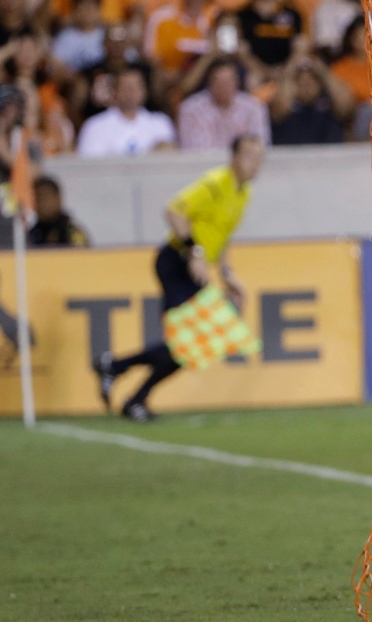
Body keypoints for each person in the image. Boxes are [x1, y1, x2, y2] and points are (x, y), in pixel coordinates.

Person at [93, 134, 264, 421]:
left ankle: (119, 374)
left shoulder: (243, 192)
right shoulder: (216, 183)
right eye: (249, 156)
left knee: (186, 349)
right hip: (175, 262)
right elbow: (174, 211)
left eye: (259, 158)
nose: (255, 164)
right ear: (234, 158)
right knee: (184, 345)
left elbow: (220, 236)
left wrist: (227, 273)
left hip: (192, 269)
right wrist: (194, 252)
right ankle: (122, 379)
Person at [76, 66, 176, 156]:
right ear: (114, 91)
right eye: (125, 87)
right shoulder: (95, 125)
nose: (130, 92)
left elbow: (170, 162)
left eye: (134, 87)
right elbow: (89, 165)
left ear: (144, 91)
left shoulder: (160, 122)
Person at [177, 58, 270, 149]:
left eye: (228, 82)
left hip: (243, 163)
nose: (224, 87)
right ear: (209, 82)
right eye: (219, 82)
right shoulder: (191, 109)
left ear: (237, 82)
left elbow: (260, 146)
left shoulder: (254, 107)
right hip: (205, 163)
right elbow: (191, 150)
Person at [269, 48, 352, 145]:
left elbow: (346, 106)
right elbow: (278, 107)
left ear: (320, 84)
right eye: (301, 82)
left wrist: (324, 72)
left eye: (311, 82)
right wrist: (292, 66)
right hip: (291, 156)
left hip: (329, 155)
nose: (306, 87)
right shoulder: (287, 104)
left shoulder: (329, 101)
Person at [28, 176, 90, 246]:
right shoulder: (32, 234)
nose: (41, 203)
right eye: (37, 198)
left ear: (58, 199)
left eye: (45, 197)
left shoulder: (71, 234)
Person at [51, 0, 105, 72]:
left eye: (90, 8)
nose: (86, 13)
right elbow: (57, 64)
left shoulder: (106, 35)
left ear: (98, 11)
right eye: (82, 9)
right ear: (75, 11)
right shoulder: (65, 36)